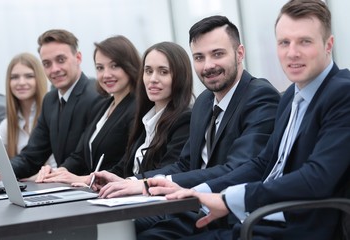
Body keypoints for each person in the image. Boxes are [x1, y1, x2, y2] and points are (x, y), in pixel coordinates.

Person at [148, 1, 350, 239]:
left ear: (329, 45)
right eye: (284, 42)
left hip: (297, 227)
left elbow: (317, 178)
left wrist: (231, 199)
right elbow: (262, 164)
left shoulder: (342, 94)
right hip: (258, 218)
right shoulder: (291, 98)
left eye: (305, 41)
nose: (292, 52)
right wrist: (202, 191)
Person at [91, 15, 280, 239]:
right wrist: (134, 182)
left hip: (228, 216)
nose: (208, 65)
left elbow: (238, 169)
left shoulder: (259, 96)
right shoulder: (204, 102)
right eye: (199, 57)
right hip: (190, 210)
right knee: (112, 229)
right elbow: (183, 165)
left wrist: (147, 187)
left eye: (217, 54)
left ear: (240, 53)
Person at [70, 41, 193, 186]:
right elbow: (124, 167)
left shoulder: (185, 118)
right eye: (148, 71)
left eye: (163, 72)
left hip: (159, 204)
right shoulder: (146, 118)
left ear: (180, 76)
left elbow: (170, 171)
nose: (153, 79)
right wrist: (100, 179)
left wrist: (129, 183)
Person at [0, 29, 102, 180]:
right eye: (47, 64)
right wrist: (2, 172)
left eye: (61, 60)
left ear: (78, 57)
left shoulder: (96, 95)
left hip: (90, 190)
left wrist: (54, 173)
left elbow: (82, 156)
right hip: (64, 188)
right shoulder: (50, 101)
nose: (54, 69)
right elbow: (32, 155)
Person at [35, 35, 140, 183]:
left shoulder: (137, 108)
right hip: (96, 194)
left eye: (114, 66)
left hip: (117, 195)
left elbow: (126, 164)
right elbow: (80, 155)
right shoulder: (105, 105)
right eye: (100, 68)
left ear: (129, 65)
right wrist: (58, 172)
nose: (106, 74)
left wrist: (84, 179)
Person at [0, 53, 56, 178]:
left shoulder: (53, 116)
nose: (21, 82)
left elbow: (57, 167)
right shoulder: (8, 123)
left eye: (29, 76)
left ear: (39, 78)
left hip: (54, 186)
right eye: (14, 77)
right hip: (27, 190)